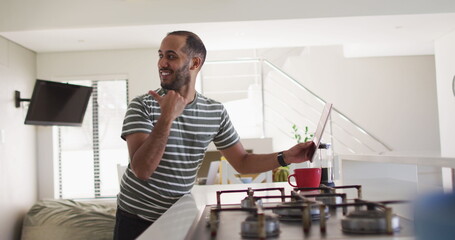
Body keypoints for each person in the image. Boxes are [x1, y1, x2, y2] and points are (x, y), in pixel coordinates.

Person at [114, 30, 316, 240]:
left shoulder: (215, 111)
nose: (162, 63)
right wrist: (167, 117)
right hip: (135, 219)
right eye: (160, 55)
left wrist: (286, 157)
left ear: (194, 63)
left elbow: (243, 162)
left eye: (171, 56)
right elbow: (142, 170)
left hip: (177, 215)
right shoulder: (142, 105)